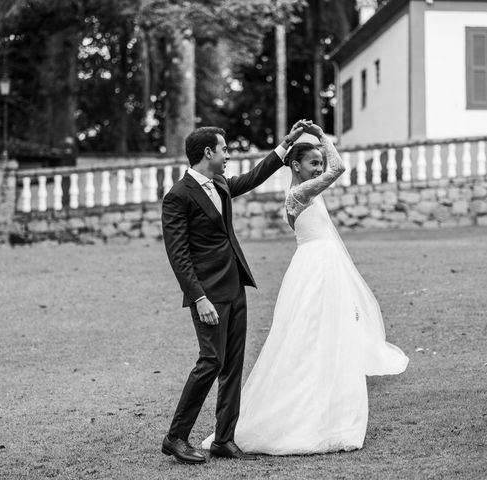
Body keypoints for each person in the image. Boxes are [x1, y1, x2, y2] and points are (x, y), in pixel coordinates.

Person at [202, 123, 409, 455]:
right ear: (296, 166)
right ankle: (307, 415)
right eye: (314, 162)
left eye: (319, 163)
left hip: (320, 266)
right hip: (315, 269)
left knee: (328, 335)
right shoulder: (301, 193)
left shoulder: (304, 190)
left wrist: (305, 142)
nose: (320, 167)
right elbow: (339, 167)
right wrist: (320, 135)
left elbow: (330, 169)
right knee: (309, 337)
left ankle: (327, 410)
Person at [160, 121, 307, 464]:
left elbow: (254, 177)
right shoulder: (178, 196)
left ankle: (224, 439)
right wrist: (198, 298)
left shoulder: (221, 184)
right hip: (208, 295)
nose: (228, 155)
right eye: (224, 149)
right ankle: (176, 437)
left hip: (234, 285)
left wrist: (284, 147)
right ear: (207, 152)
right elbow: (178, 255)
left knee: (232, 366)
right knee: (210, 360)